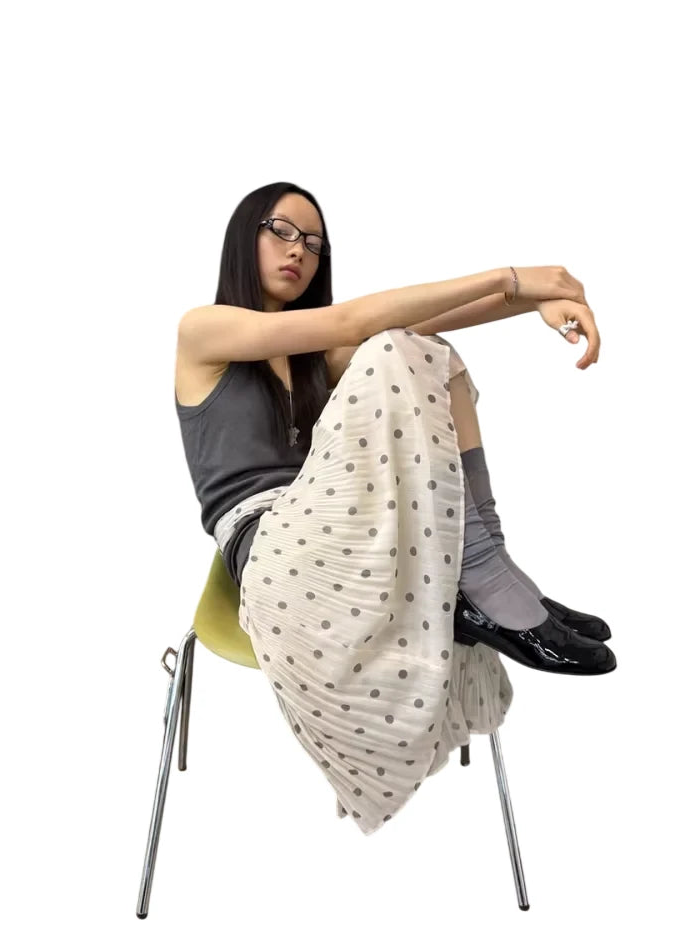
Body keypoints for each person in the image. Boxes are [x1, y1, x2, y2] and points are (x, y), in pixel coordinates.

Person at [174, 181, 616, 834]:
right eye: (282, 231)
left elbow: (427, 322)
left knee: (422, 349)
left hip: (337, 537)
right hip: (272, 558)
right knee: (385, 345)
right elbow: (354, 323)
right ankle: (485, 578)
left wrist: (536, 301)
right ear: (245, 235)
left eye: (314, 244)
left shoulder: (312, 358)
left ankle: (487, 563)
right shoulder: (203, 329)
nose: (299, 251)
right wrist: (516, 276)